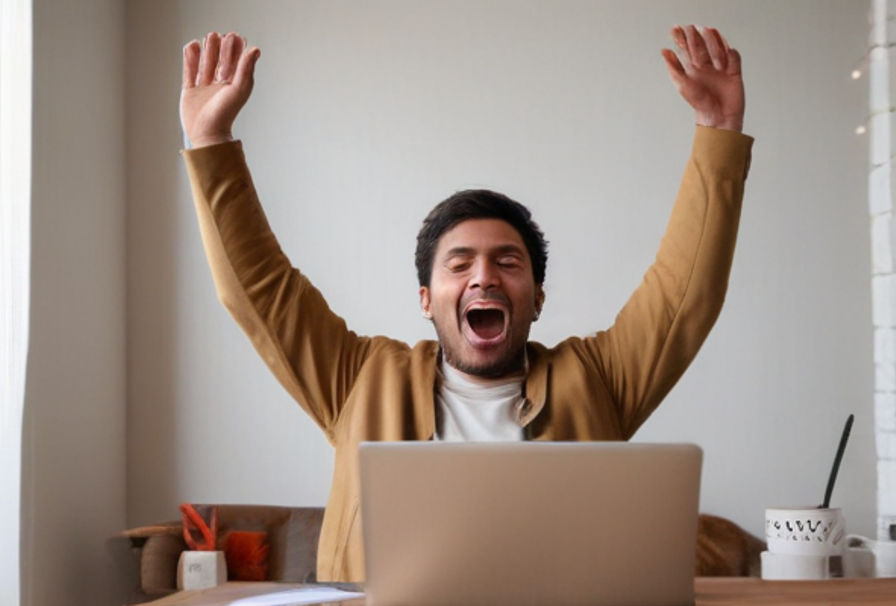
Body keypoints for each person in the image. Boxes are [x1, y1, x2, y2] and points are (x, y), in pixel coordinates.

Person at [179, 24, 753, 582]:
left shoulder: (598, 379)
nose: (484, 278)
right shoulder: (359, 379)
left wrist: (718, 130)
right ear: (426, 300)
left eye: (508, 262)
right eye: (460, 264)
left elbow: (686, 293)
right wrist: (210, 143)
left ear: (538, 297)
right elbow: (258, 290)